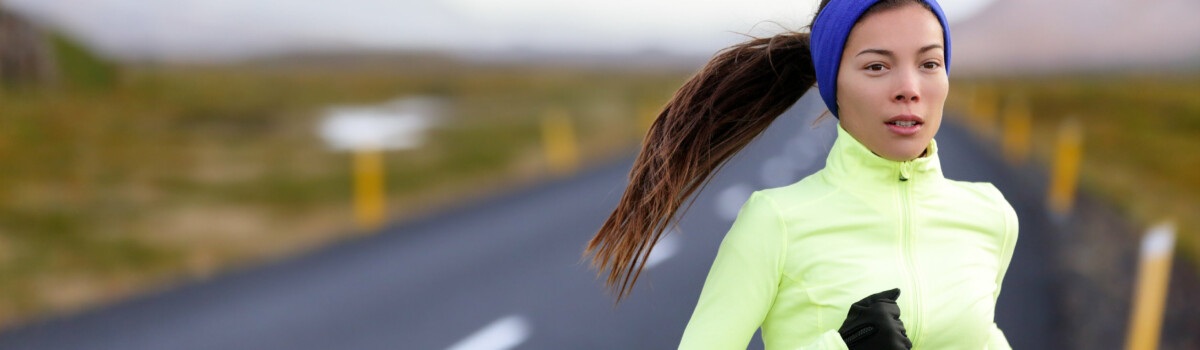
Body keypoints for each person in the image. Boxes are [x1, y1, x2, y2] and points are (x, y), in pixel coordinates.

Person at [582, 0, 1019, 348]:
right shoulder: (775, 223)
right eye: (876, 66)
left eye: (929, 63)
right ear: (834, 86)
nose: (909, 87)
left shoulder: (990, 215)